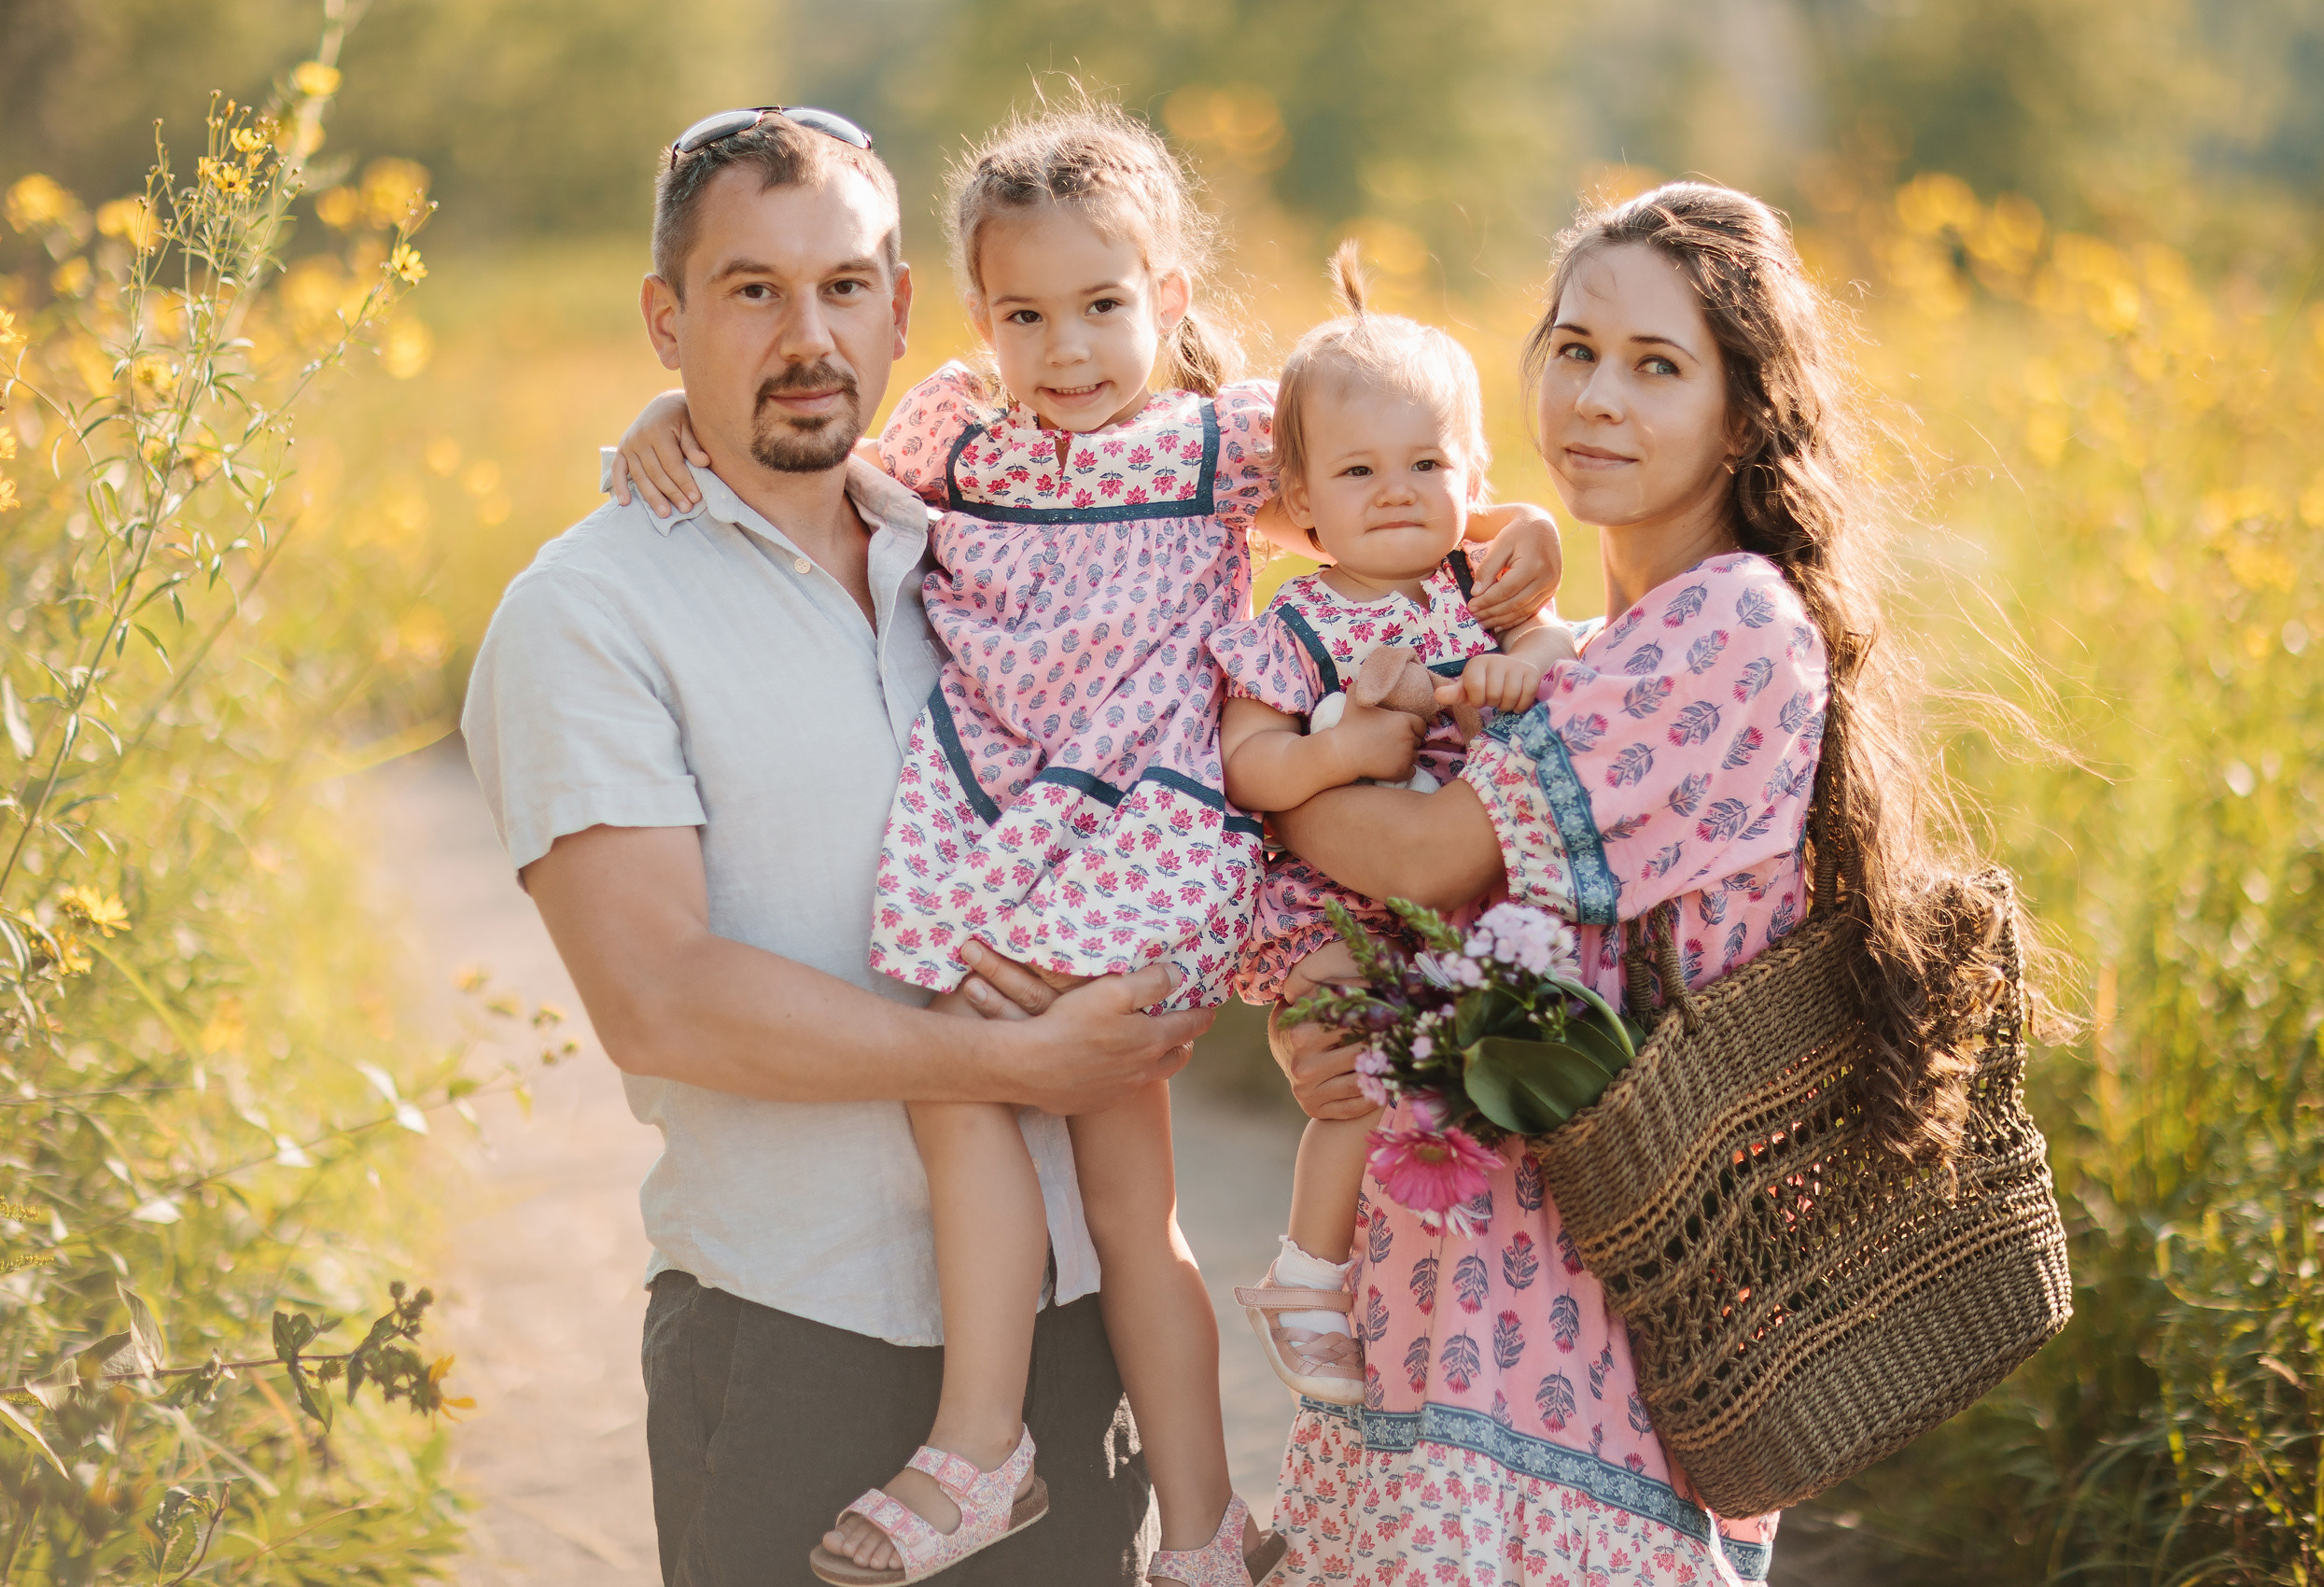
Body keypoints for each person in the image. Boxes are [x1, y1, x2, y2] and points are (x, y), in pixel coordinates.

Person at [606, 100, 1565, 1587]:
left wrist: (1524, 538)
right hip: (1010, 831)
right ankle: (1200, 1531)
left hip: (1158, 834)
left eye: (1105, 307)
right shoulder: (959, 433)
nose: (1067, 351)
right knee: (1133, 1211)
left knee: (948, 1065)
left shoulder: (1230, 438)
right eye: (1027, 315)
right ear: (978, 320)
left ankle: (982, 1440)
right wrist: (675, 412)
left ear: (1168, 301)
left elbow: (1400, 455)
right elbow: (814, 449)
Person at [461, 106, 1215, 1587]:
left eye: (844, 285)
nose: (807, 335)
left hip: (1075, 1338)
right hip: (798, 1340)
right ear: (663, 320)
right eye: (752, 291)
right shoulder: (589, 615)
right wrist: (1011, 1063)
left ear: (905, 310)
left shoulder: (983, 537)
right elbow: (660, 993)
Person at [1254, 183, 1996, 1585]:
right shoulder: (1594, 642)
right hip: (1453, 1313)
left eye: (1657, 366)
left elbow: (1421, 855)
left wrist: (1270, 782)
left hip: (1575, 1352)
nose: (1596, 396)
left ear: (1743, 412)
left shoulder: (1731, 625)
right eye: (1575, 347)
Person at [1205, 243, 1580, 1409]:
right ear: (1301, 500)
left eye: (1426, 462)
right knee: (1357, 1076)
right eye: (1359, 470)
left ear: (1472, 474)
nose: (1396, 491)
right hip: (1326, 905)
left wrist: (1536, 659)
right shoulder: (1298, 620)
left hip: (1460, 900)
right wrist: (1338, 753)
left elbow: (1559, 651)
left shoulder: (1478, 590)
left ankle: (1420, 1281)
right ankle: (1306, 1273)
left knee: (1451, 1088)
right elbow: (1247, 762)